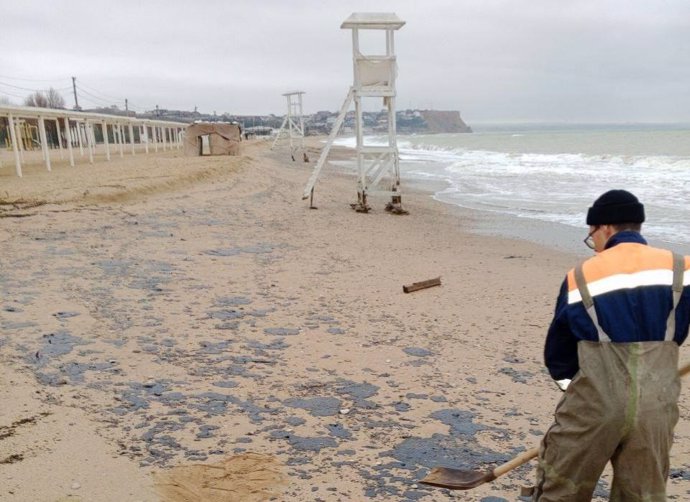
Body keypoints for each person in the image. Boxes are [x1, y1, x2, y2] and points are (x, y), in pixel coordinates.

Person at [533, 189, 690, 501]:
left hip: (594, 403)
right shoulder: (679, 267)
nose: (594, 243)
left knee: (562, 486)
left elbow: (559, 353)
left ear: (604, 228)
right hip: (655, 404)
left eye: (592, 235)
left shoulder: (581, 275)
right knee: (642, 494)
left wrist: (573, 389)